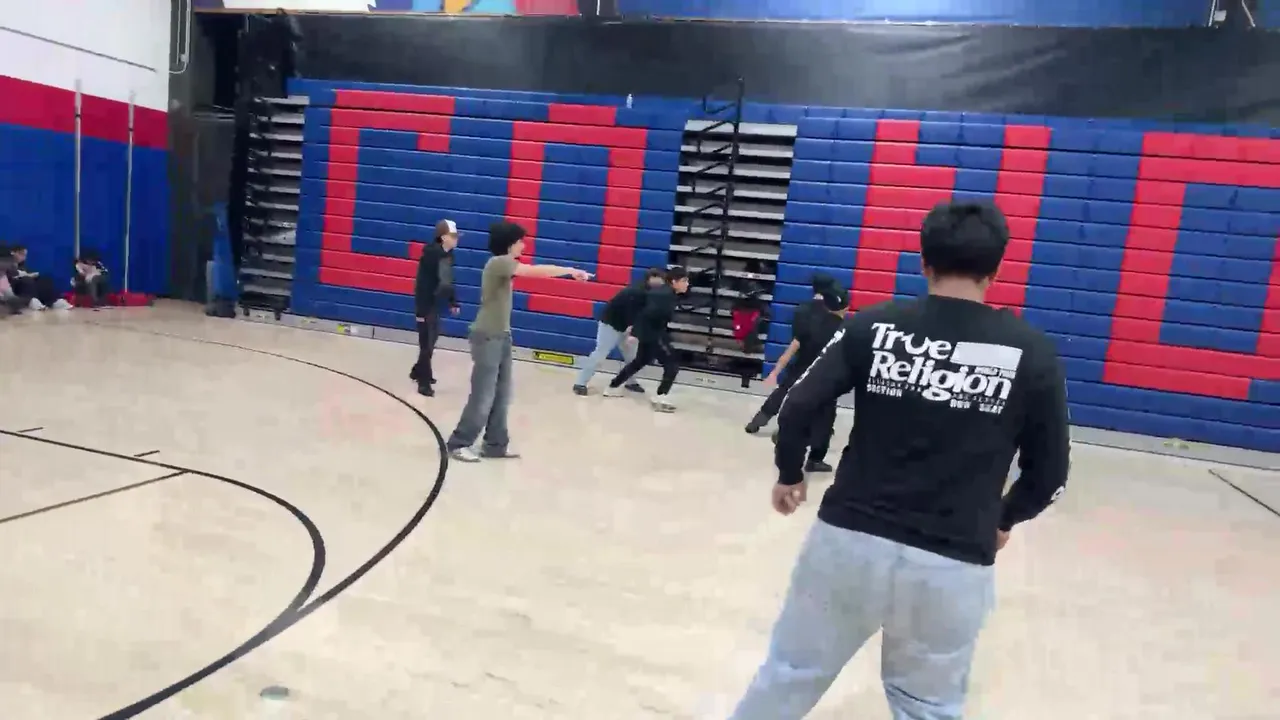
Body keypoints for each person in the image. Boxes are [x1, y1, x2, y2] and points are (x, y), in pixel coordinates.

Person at [729, 201, 1071, 720]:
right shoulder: (1033, 352)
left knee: (789, 677)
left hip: (848, 542)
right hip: (952, 559)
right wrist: (1004, 518)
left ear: (923, 261)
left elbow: (797, 405)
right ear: (997, 269)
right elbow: (1049, 473)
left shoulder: (872, 325)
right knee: (927, 706)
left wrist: (790, 473)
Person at [446, 221, 591, 463]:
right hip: (487, 335)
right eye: (520, 241)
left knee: (502, 394)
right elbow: (533, 271)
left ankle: (495, 445)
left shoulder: (504, 264)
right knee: (483, 394)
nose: (523, 245)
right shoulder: (499, 262)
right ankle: (459, 443)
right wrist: (569, 270)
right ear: (510, 243)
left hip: (502, 335)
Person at [761, 283, 849, 473]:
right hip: (827, 382)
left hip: (802, 377)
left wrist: (775, 372)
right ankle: (815, 459)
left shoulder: (811, 324)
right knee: (825, 421)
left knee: (798, 413)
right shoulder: (845, 331)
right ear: (846, 307)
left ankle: (786, 438)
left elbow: (790, 350)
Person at [745, 273, 840, 435]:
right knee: (827, 399)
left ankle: (757, 421)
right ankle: (823, 429)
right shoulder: (833, 313)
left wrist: (775, 371)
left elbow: (796, 341)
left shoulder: (801, 310)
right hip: (824, 363)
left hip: (802, 359)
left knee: (784, 390)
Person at [602, 266, 689, 412]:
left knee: (639, 361)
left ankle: (612, 387)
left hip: (652, 333)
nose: (687, 284)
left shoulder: (667, 293)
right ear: (674, 281)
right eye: (684, 281)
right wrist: (635, 333)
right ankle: (660, 396)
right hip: (654, 334)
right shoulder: (664, 295)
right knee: (672, 365)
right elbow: (645, 314)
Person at [572, 267, 666, 396]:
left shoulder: (653, 292)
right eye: (660, 279)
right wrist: (633, 330)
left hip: (627, 325)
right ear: (651, 278)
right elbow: (632, 313)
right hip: (611, 325)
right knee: (600, 354)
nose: (662, 282)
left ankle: (630, 381)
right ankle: (580, 383)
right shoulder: (637, 291)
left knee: (632, 356)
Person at [410, 219, 460, 397]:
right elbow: (439, 282)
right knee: (426, 341)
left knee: (432, 337)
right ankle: (423, 383)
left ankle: (418, 370)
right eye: (454, 236)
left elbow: (447, 280)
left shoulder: (448, 254)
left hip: (434, 303)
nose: (457, 239)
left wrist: (452, 301)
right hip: (425, 303)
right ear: (444, 237)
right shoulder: (433, 255)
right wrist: (448, 299)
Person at [5, 244, 69, 310]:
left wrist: (31, 275)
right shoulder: (6, 264)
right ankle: (32, 301)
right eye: (21, 254)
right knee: (26, 280)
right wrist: (27, 275)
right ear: (12, 253)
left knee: (44, 280)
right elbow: (10, 276)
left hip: (24, 284)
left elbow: (25, 273)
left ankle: (52, 301)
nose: (24, 258)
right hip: (14, 287)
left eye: (25, 255)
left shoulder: (22, 266)